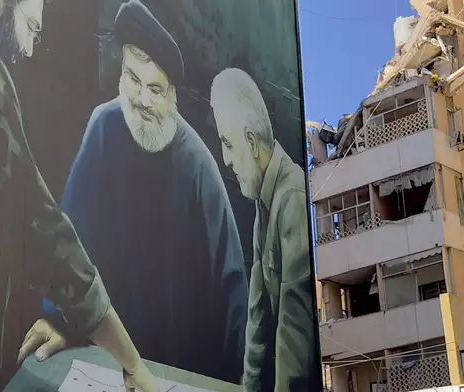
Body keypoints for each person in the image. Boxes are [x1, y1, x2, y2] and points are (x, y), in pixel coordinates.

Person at [0, 1, 154, 391]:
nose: (31, 50)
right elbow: (42, 230)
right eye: (32, 29)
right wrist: (132, 362)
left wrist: (59, 323)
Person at [36, 0, 249, 384]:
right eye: (132, 80)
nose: (142, 99)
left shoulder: (199, 167)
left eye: (155, 88)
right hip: (101, 358)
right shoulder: (103, 127)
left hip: (178, 369)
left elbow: (232, 289)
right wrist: (57, 320)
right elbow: (70, 236)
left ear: (173, 97)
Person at [210, 68, 318, 391]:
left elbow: (293, 332)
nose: (225, 159)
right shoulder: (264, 204)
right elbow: (257, 313)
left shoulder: (293, 198)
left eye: (227, 144)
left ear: (251, 143)